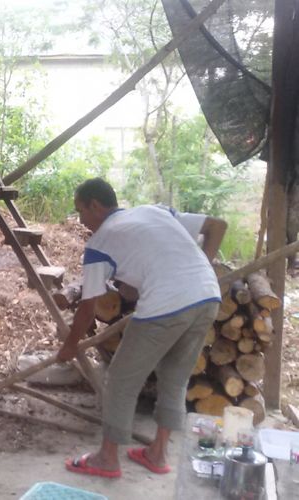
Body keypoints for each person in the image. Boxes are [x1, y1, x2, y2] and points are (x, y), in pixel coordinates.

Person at [60, 177, 227, 478]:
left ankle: (107, 459)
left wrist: (70, 345)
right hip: (207, 295)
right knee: (174, 378)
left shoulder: (99, 243)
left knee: (121, 379)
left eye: (81, 211)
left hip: (167, 304)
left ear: (95, 205)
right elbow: (217, 226)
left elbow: (88, 306)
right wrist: (199, 267)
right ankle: (157, 454)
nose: (81, 220)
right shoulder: (155, 212)